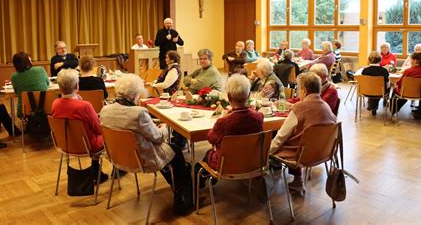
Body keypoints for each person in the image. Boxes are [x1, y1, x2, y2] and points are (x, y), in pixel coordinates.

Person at [100, 73, 193, 215]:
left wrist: (153, 124)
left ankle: (178, 186)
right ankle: (184, 197)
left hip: (118, 156)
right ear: (132, 96)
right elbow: (158, 138)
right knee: (176, 151)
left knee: (171, 152)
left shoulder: (105, 110)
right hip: (143, 159)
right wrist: (166, 127)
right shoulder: (139, 113)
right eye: (138, 95)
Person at [269, 72, 337, 191]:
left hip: (301, 155)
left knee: (281, 139)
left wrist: (267, 151)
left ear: (304, 90)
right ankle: (297, 181)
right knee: (299, 136)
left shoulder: (300, 107)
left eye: (299, 89)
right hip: (323, 152)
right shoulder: (326, 106)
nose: (298, 93)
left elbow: (281, 136)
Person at [51, 69, 108, 182]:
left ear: (59, 87)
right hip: (87, 145)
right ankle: (102, 171)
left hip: (65, 143)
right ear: (77, 86)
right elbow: (98, 129)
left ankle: (95, 171)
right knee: (111, 135)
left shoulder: (54, 104)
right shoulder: (84, 106)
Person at [202, 74, 263, 172]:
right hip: (251, 162)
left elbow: (211, 138)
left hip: (226, 165)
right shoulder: (259, 117)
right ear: (249, 95)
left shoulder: (223, 122)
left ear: (229, 97)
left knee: (207, 154)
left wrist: (225, 117)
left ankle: (201, 182)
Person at [11, 52, 50, 117]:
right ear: (28, 60)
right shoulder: (40, 69)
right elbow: (47, 84)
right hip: (45, 107)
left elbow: (17, 92)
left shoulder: (14, 77)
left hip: (25, 110)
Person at [361, 51, 390, 116]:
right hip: (381, 92)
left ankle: (372, 106)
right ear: (380, 60)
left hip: (367, 91)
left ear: (369, 60)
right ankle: (382, 103)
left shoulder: (365, 70)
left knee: (372, 88)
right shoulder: (384, 70)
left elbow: (364, 83)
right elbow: (387, 84)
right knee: (387, 87)